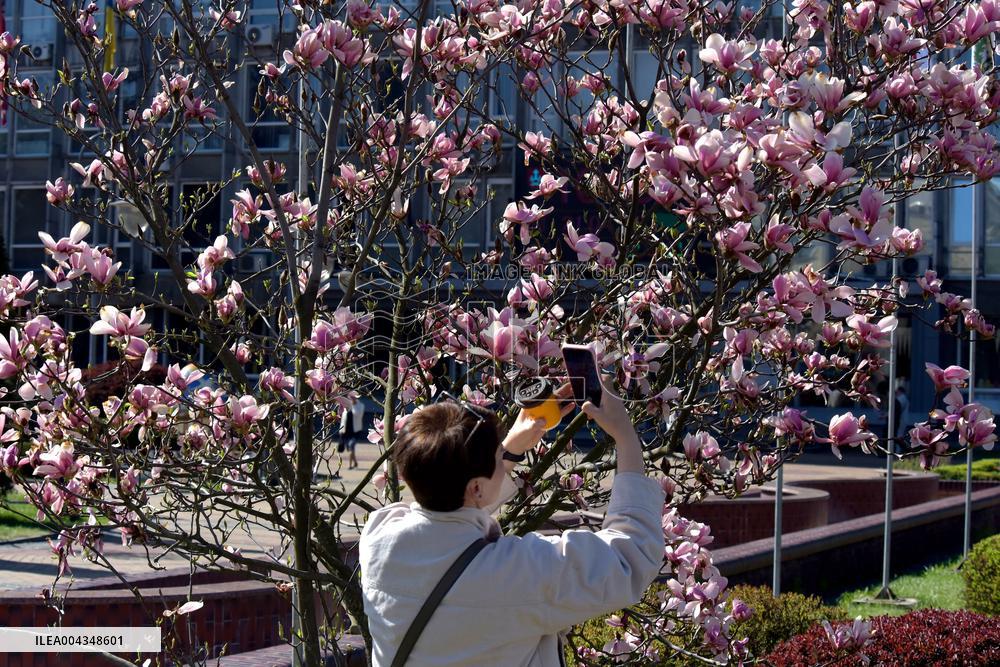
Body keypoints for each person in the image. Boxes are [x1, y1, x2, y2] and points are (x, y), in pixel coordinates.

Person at [359, 386, 666, 667]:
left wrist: (510, 449)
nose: (502, 455)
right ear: (476, 488)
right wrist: (625, 436)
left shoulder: (378, 538)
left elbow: (450, 514)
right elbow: (631, 554)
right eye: (497, 456)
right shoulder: (521, 573)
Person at [339, 396, 365, 470]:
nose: (351, 399)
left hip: (355, 432)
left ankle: (350, 465)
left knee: (351, 446)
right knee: (350, 449)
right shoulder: (345, 407)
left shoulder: (360, 406)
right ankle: (355, 462)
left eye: (353, 398)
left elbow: (357, 414)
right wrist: (341, 431)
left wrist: (353, 405)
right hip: (346, 432)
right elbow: (343, 420)